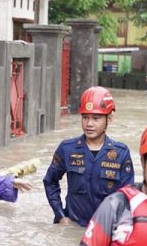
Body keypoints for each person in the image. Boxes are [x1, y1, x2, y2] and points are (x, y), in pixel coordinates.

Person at [44, 87, 134, 226]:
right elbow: (50, 181)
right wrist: (60, 215)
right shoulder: (67, 148)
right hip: (74, 227)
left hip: (105, 231)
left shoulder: (121, 153)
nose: (89, 124)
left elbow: (127, 195)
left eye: (96, 118)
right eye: (85, 117)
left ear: (109, 119)